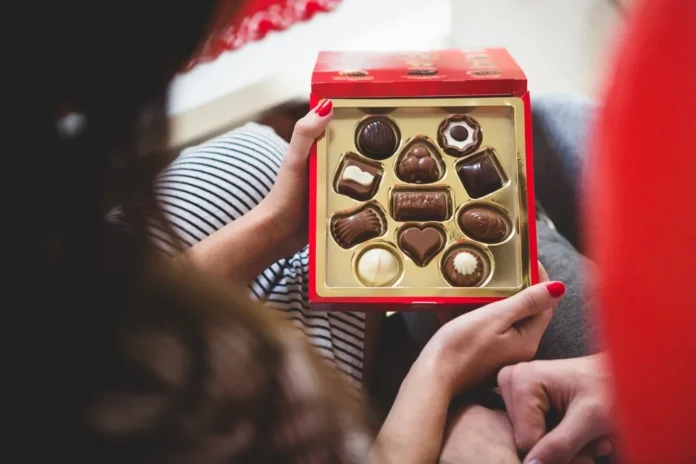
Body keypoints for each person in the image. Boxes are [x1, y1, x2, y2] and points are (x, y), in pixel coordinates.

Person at [18, 0, 574, 462]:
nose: (203, 52)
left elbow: (105, 319)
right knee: (555, 122)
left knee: (546, 123)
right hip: (377, 391)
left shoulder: (54, 268)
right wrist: (445, 367)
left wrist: (278, 227)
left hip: (281, 294)